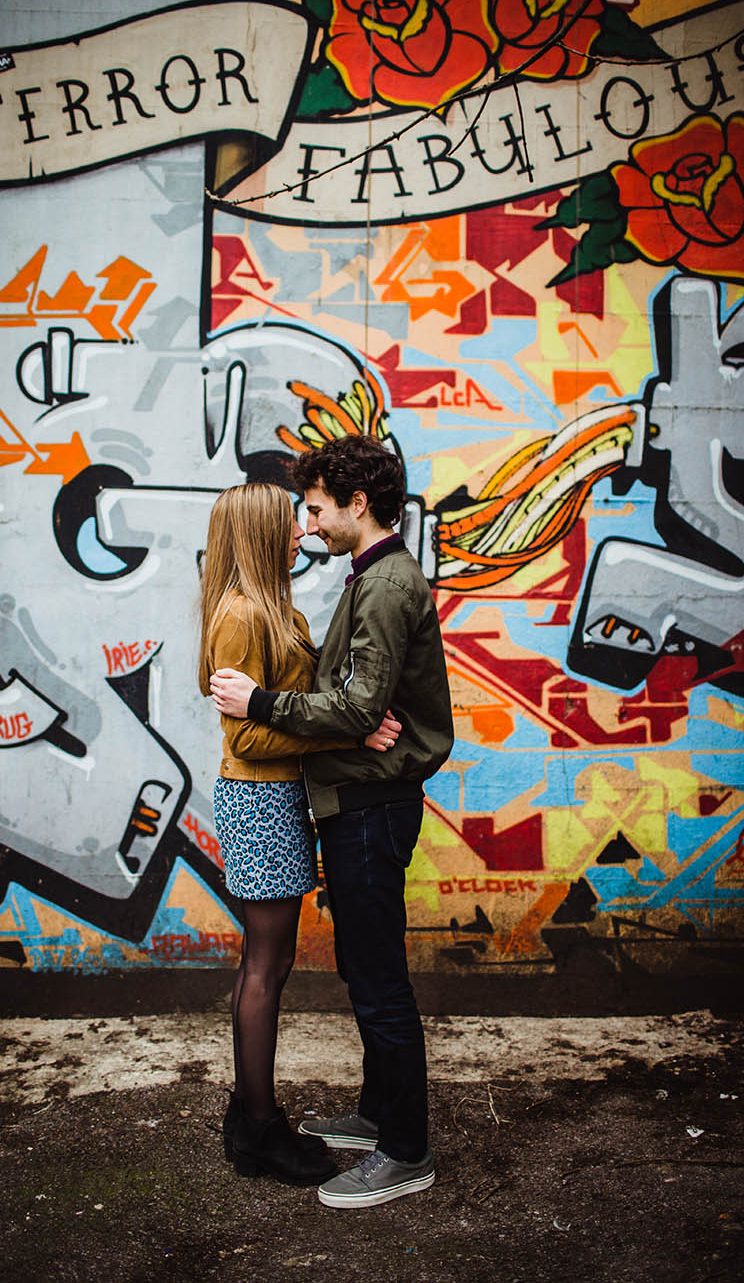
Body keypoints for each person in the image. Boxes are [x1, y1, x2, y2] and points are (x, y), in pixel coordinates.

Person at [210, 435, 454, 1209]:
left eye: (314, 509)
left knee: (378, 980)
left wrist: (279, 707)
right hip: (352, 802)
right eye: (297, 513)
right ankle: (380, 1116)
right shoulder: (364, 578)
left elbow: (354, 702)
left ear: (358, 503)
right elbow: (350, 706)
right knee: (362, 968)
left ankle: (405, 1151)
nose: (307, 524)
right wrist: (349, 722)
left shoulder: (382, 585)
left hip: (371, 806)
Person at [198, 482, 399, 1187]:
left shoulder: (271, 606)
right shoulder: (243, 614)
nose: (303, 530)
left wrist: (343, 721)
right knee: (265, 965)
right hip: (258, 801)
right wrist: (346, 736)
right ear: (257, 533)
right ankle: (258, 1128)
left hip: (277, 801)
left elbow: (298, 706)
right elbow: (247, 734)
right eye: (289, 523)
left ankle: (249, 1115)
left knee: (269, 962)